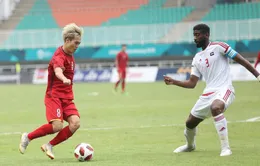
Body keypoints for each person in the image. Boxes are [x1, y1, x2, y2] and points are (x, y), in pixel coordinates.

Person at [164, 24, 260, 157]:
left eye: (197, 35)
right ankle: (190, 146)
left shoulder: (219, 46)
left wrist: (257, 74)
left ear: (206, 35)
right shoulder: (197, 58)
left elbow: (240, 59)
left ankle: (226, 148)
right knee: (190, 123)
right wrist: (174, 82)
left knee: (216, 108)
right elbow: (192, 83)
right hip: (208, 93)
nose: (195, 38)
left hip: (224, 89)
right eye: (194, 35)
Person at [19, 23, 83, 160]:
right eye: (76, 43)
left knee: (75, 123)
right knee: (57, 126)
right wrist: (64, 78)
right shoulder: (58, 56)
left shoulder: (70, 55)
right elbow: (58, 70)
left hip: (66, 98)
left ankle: (49, 145)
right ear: (67, 41)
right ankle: (28, 137)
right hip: (54, 96)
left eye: (79, 43)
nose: (77, 46)